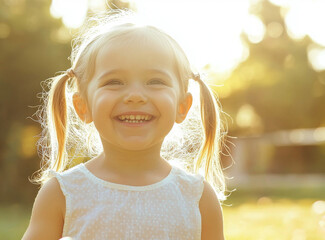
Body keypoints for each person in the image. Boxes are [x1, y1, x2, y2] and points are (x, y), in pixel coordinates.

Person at [23, 10, 226, 240]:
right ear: (83, 106)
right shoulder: (62, 194)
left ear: (182, 106)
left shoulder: (197, 198)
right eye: (114, 82)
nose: (135, 96)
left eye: (155, 81)